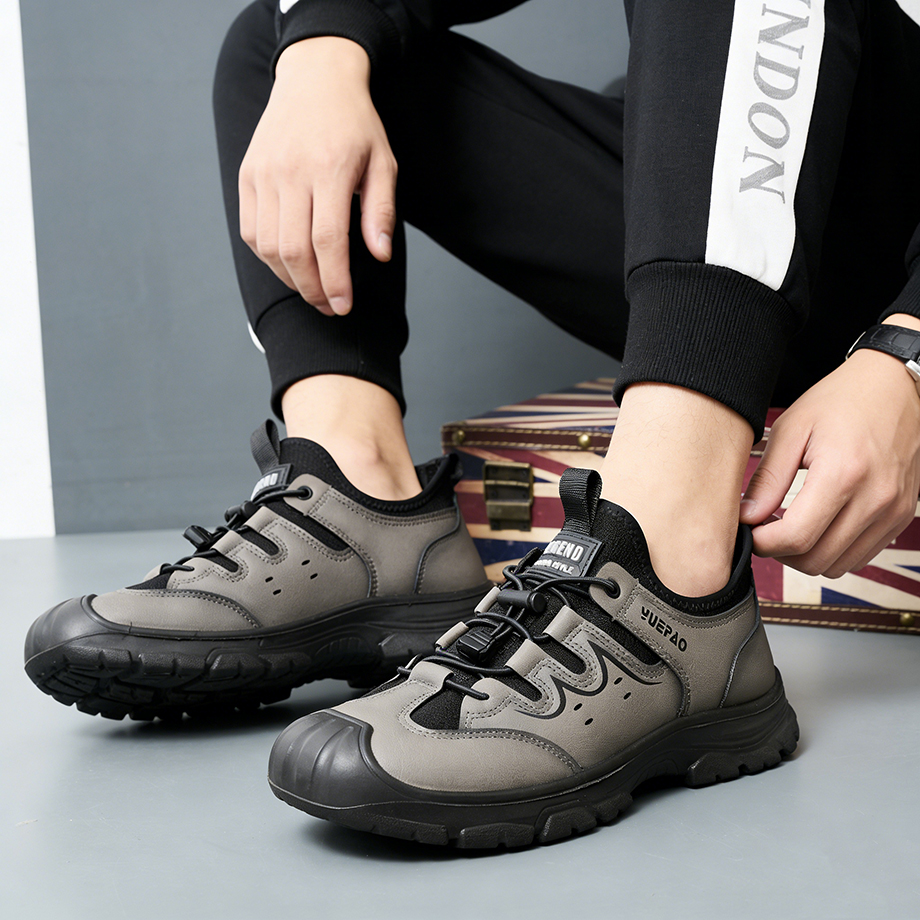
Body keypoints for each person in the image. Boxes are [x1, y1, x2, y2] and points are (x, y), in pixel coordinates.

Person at [24, 0, 920, 847]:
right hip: (715, 197)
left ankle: (667, 569)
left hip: (887, 235)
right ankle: (357, 501)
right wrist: (324, 51)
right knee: (298, 41)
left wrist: (908, 350)